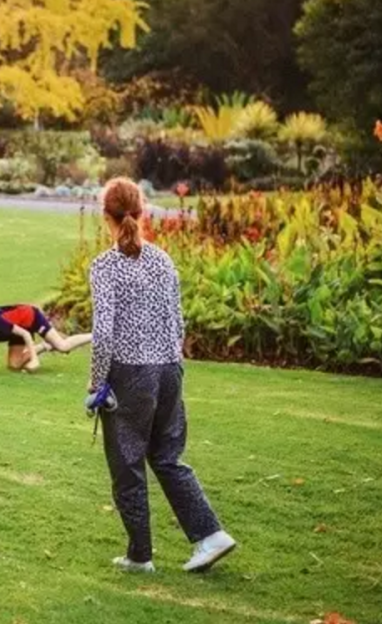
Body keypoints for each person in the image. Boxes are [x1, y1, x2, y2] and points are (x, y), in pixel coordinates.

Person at [90, 177, 236, 573]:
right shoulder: (162, 260)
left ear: (107, 216)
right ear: (142, 211)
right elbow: (179, 322)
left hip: (130, 374)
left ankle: (140, 556)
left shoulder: (106, 266)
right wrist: (173, 363)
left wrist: (96, 382)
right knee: (167, 456)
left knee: (127, 465)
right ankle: (210, 536)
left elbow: (103, 334)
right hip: (169, 369)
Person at [0, 298, 91, 372]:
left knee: (63, 346)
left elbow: (25, 334)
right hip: (15, 329)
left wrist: (34, 360)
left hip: (30, 318)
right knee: (14, 365)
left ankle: (96, 336)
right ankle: (45, 346)